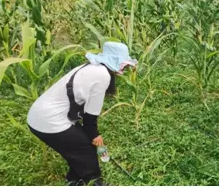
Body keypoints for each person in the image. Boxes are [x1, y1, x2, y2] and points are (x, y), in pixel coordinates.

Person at [27, 42, 137, 186]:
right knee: (85, 149)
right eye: (124, 64)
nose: (126, 68)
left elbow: (86, 114)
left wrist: (91, 135)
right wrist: (95, 135)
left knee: (81, 143)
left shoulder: (92, 67)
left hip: (39, 115)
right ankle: (94, 181)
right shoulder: (103, 75)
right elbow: (90, 118)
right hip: (48, 121)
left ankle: (74, 181)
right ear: (115, 61)